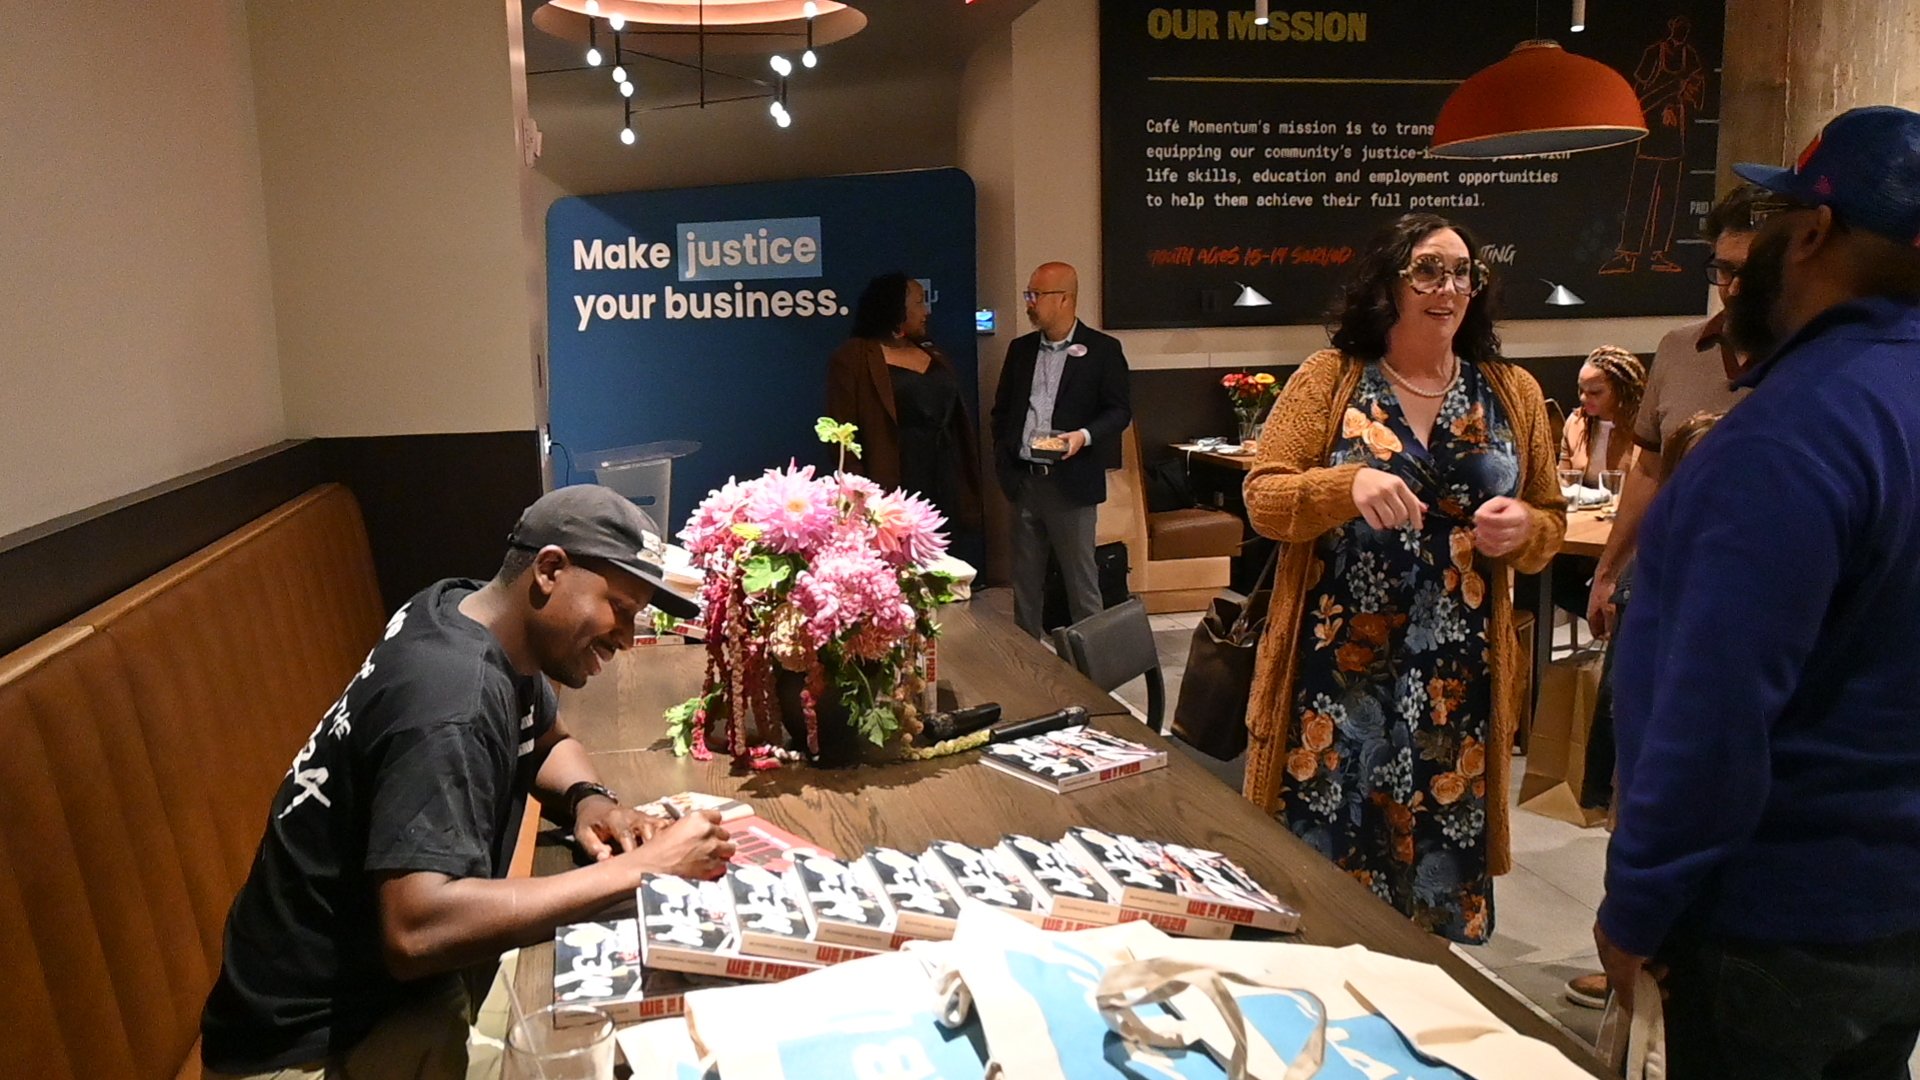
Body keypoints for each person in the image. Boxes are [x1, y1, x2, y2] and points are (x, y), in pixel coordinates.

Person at [200, 485, 737, 1079]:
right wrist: (644, 868)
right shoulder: (452, 696)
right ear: (550, 570)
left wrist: (590, 800)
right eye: (619, 606)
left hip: (376, 993)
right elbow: (416, 931)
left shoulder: (464, 610)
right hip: (314, 1040)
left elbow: (546, 740)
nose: (627, 636)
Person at [1595, 106, 1920, 1076]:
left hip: (1772, 919)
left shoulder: (1795, 434)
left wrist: (1639, 903)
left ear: (1813, 232)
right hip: (1890, 910)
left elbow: (1717, 708)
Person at [1240, 214, 1565, 943]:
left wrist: (1526, 530)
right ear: (1389, 282)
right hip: (1336, 675)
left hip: (1458, 682)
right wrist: (1344, 485)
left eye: (1462, 273)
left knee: (1435, 880)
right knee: (1324, 878)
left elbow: (1549, 518)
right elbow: (1263, 498)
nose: (1446, 288)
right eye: (1427, 270)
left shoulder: (1510, 391)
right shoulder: (1331, 379)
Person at [1585, 184, 1765, 638]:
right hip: (1664, 586)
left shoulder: (1818, 360)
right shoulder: (1679, 348)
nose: (1735, 288)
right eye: (1724, 270)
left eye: (1754, 272)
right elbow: (1648, 470)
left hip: (1762, 600)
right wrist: (1608, 572)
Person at [990, 261, 1132, 637]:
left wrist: (1083, 435)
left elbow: (1119, 411)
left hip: (1071, 482)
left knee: (1081, 584)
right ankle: (1027, 661)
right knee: (1025, 585)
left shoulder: (1103, 350)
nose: (1029, 302)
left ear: (1065, 299)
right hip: (1025, 480)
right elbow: (1002, 412)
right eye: (1028, 294)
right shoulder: (1021, 350)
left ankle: (1092, 664)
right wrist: (1005, 461)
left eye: (1036, 295)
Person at [826, 273, 983, 536]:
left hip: (945, 477)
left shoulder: (933, 353)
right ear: (896, 308)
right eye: (919, 302)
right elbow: (843, 433)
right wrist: (859, 495)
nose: (927, 311)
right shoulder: (854, 357)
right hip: (895, 480)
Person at [1559, 346, 1645, 486]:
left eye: (1595, 392)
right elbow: (1563, 480)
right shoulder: (1575, 423)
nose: (1583, 398)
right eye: (1581, 390)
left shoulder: (1643, 428)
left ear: (1621, 390)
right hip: (1581, 500)